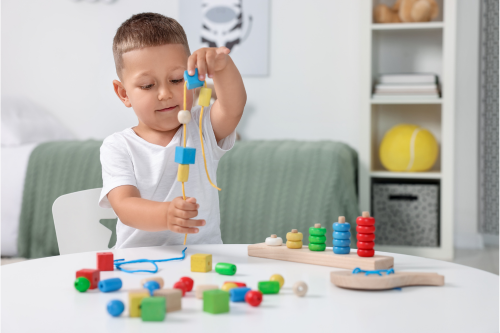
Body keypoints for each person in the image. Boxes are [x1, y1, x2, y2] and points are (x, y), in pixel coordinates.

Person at [98, 13, 246, 248]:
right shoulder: (118, 146)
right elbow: (124, 205)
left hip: (202, 257)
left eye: (176, 80)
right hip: (137, 261)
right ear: (124, 93)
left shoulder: (202, 128)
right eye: (148, 85)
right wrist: (166, 214)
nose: (165, 93)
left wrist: (222, 67)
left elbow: (233, 108)